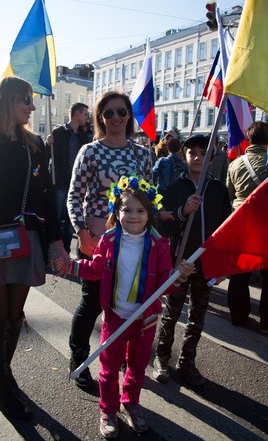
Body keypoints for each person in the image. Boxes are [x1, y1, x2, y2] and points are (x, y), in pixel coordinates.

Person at [56, 176, 194, 438]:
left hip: (146, 321)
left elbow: (166, 284)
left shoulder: (159, 245)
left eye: (140, 210)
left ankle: (131, 403)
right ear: (116, 211)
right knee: (109, 369)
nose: (133, 216)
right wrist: (70, 265)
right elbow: (95, 269)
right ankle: (108, 409)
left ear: (149, 212)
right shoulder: (108, 241)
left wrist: (181, 274)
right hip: (116, 318)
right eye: (127, 209)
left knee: (138, 367)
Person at [0, 76, 67, 420]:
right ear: (8, 99)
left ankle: (5, 373)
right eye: (26, 99)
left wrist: (56, 242)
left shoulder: (34, 143)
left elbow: (46, 197)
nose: (33, 106)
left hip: (25, 240)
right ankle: (1, 388)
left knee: (14, 316)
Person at [67, 91, 172, 390]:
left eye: (122, 112)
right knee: (93, 303)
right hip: (98, 239)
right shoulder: (90, 151)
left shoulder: (142, 153)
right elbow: (75, 196)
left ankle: (123, 360)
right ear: (100, 117)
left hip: (135, 243)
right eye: (109, 113)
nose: (116, 118)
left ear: (129, 115)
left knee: (129, 300)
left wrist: (173, 211)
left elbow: (150, 198)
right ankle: (80, 359)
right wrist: (82, 232)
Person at [153, 134, 231, 386]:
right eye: (192, 153)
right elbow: (164, 228)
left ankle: (187, 361)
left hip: (206, 264)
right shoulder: (175, 188)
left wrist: (222, 267)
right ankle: (162, 357)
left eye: (203, 153)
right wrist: (182, 211)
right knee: (172, 311)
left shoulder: (218, 189)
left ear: (213, 157)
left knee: (198, 314)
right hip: (181, 261)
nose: (198, 157)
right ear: (184, 156)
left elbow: (225, 230)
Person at [227, 121, 268, 332]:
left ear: (249, 139)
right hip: (265, 223)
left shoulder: (235, 163)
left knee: (239, 271)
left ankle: (238, 315)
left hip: (241, 221)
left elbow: (230, 194)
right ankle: (267, 321)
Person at [45, 102, 90, 254]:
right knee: (56, 216)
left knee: (72, 219)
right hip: (61, 182)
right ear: (77, 113)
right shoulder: (58, 133)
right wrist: (47, 144)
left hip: (77, 183)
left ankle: (64, 252)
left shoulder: (83, 136)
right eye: (85, 114)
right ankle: (52, 250)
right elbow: (47, 156)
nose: (87, 118)